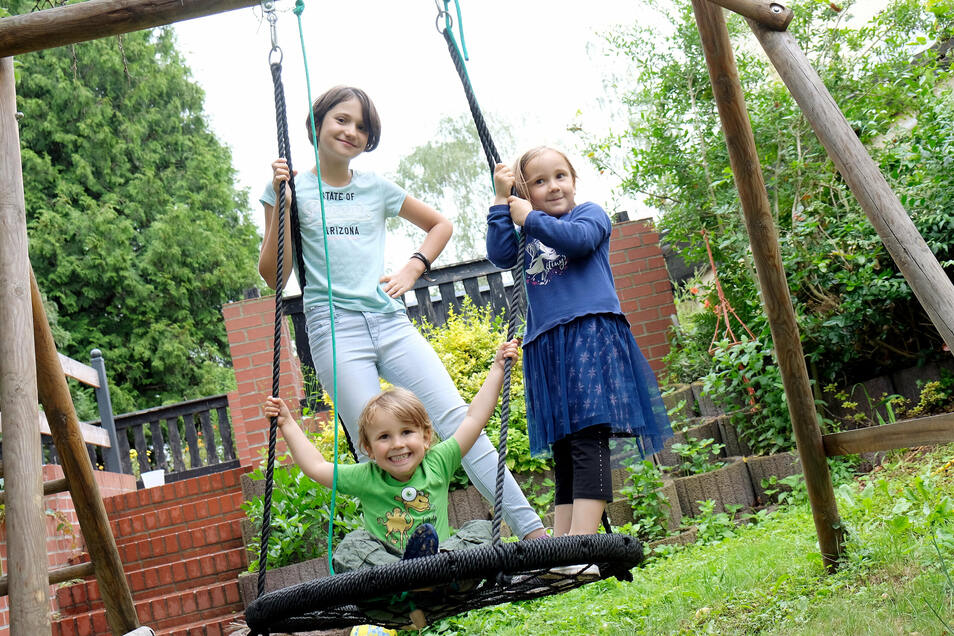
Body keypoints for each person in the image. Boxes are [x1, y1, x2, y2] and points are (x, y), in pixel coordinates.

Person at [258, 85, 545, 541]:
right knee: (374, 447)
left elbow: (440, 224)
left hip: (389, 321)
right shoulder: (290, 188)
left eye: (362, 127)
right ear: (316, 123)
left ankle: (533, 535)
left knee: (455, 421)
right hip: (335, 331)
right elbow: (275, 277)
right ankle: (403, 562)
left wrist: (414, 267)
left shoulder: (375, 188)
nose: (351, 131)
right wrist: (282, 203)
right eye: (341, 120)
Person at [486, 146, 673, 537]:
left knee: (588, 437)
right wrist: (502, 202)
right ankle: (563, 546)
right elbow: (501, 253)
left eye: (560, 176)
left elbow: (578, 241)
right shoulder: (527, 232)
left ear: (574, 181)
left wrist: (528, 217)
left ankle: (582, 544)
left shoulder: (590, 215)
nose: (553, 187)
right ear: (526, 191)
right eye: (539, 182)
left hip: (590, 336)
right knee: (564, 448)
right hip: (548, 345)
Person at [263, 339, 521, 570]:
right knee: (352, 546)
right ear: (368, 448)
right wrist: (286, 422)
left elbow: (474, 419)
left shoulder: (438, 462)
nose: (397, 444)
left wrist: (498, 369)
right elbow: (316, 467)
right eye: (384, 437)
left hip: (440, 562)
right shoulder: (367, 476)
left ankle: (435, 574)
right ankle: (407, 580)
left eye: (407, 432)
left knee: (484, 530)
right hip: (389, 573)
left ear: (425, 437)